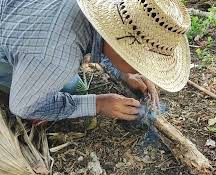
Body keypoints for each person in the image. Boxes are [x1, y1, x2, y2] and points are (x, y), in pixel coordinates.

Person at [0, 0, 191, 122]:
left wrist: (124, 72)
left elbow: (102, 39)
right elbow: (22, 106)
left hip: (18, 15)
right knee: (73, 86)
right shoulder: (57, 60)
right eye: (139, 61)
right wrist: (99, 103)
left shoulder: (107, 11)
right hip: (14, 45)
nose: (144, 70)